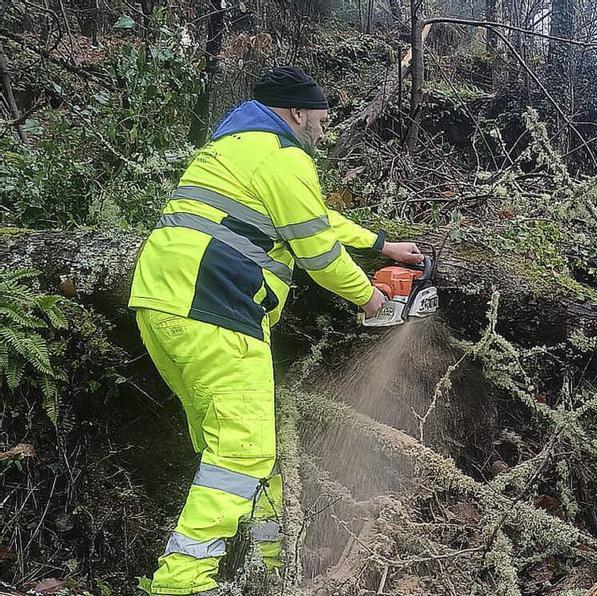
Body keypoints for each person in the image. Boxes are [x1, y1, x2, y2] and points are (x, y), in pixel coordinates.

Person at [128, 66, 422, 595]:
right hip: (215, 308)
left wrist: (381, 246)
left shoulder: (237, 149)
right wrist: (371, 296)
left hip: (162, 304)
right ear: (297, 112)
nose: (323, 129)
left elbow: (311, 219)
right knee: (243, 451)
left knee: (234, 446)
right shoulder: (284, 158)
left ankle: (267, 561)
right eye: (321, 119)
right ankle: (182, 584)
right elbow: (317, 251)